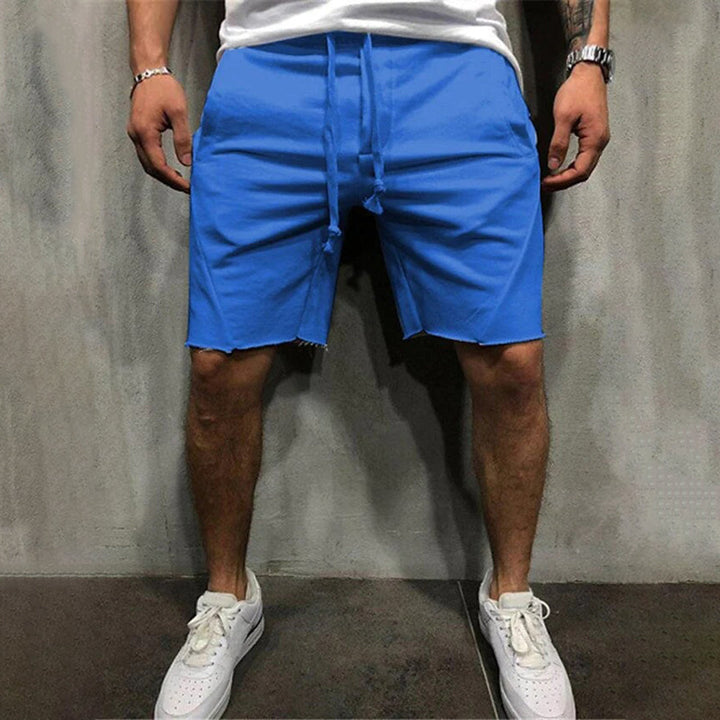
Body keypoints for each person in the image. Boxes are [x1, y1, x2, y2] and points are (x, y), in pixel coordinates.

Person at [125, 0, 612, 718]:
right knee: (219, 366)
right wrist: (149, 64)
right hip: (270, 67)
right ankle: (227, 599)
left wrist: (588, 59)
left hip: (457, 66)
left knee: (511, 360)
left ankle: (511, 598)